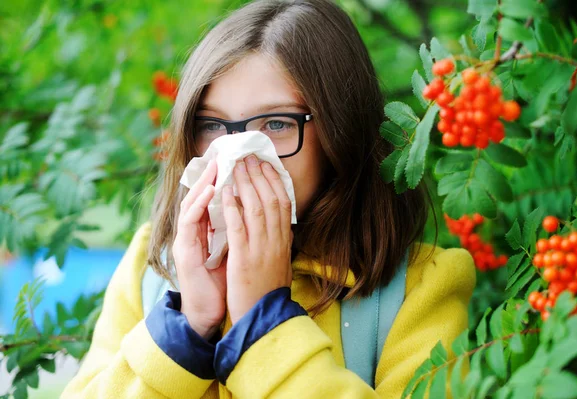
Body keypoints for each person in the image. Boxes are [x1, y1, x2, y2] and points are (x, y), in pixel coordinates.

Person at [61, 0, 475, 397]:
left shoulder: (418, 289)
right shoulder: (150, 268)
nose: (236, 152)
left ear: (339, 135)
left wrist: (264, 321)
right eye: (211, 124)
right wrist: (184, 330)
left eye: (276, 123)